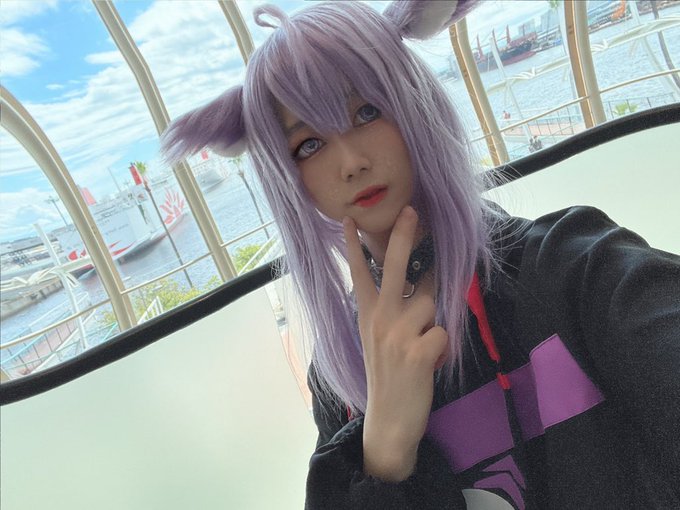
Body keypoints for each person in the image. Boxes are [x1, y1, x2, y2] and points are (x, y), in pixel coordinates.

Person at [160, 2, 680, 508]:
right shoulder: (339, 372)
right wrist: (382, 451)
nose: (351, 161)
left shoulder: (569, 264)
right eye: (309, 145)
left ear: (414, 101)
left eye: (367, 111)